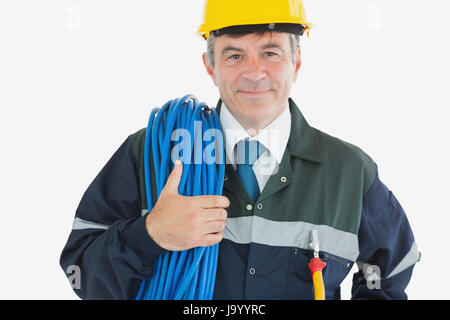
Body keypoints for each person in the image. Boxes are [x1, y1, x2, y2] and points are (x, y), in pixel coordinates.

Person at [60, 0, 420, 299]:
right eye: (234, 56)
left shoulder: (348, 171)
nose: (254, 72)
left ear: (296, 62)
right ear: (210, 66)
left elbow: (392, 268)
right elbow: (80, 271)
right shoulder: (151, 154)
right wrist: (149, 235)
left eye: (270, 52)